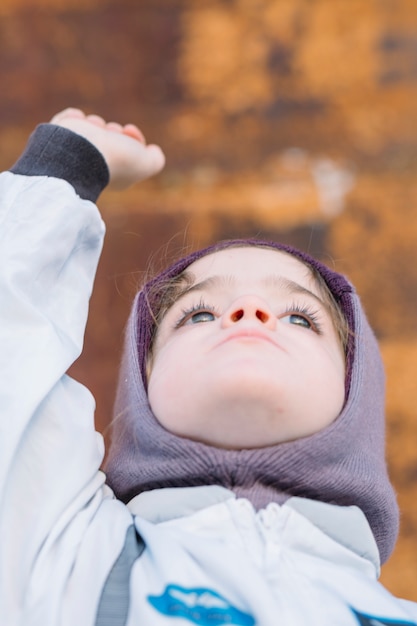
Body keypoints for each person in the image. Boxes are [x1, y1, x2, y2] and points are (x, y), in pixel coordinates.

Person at [0, 108, 416, 626]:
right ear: (141, 384)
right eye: (198, 313)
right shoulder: (69, 555)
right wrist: (66, 164)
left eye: (300, 318)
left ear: (357, 389)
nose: (248, 310)